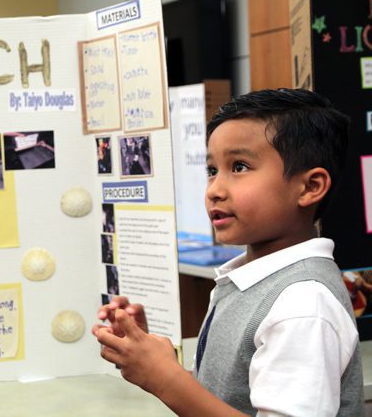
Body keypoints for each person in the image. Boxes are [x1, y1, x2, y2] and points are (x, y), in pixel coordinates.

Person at [93, 88, 364, 416]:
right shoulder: (247, 280)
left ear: (309, 187)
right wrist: (151, 356)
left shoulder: (304, 303)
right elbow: (231, 395)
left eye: (239, 167)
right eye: (212, 170)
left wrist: (166, 379)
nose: (214, 191)